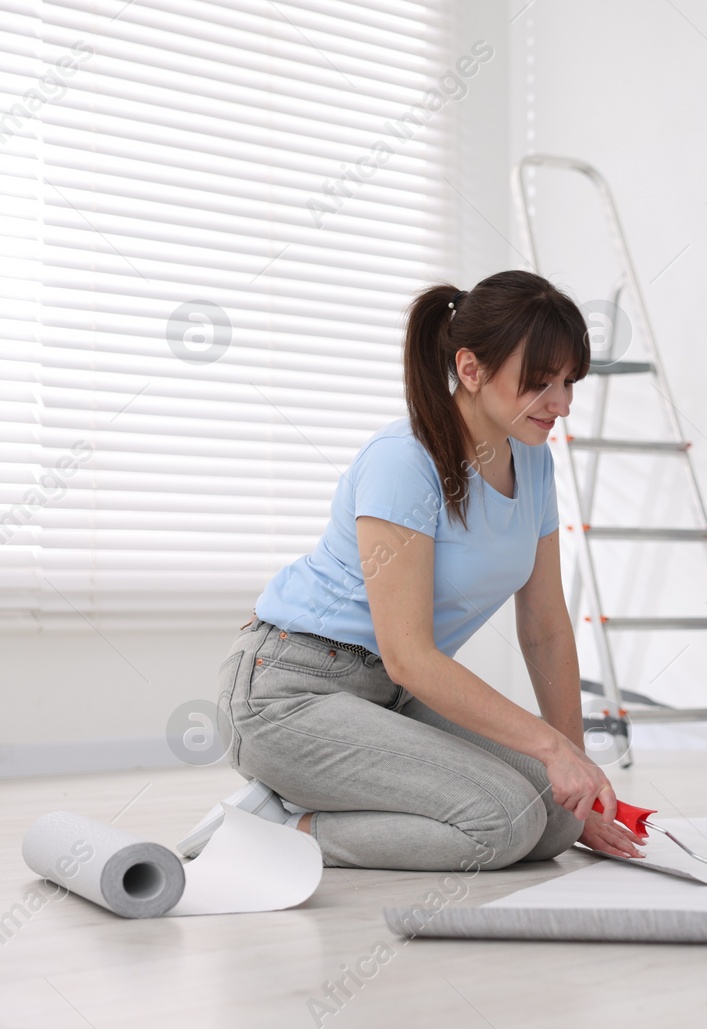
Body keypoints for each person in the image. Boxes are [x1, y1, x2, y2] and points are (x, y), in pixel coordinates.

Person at [178, 270, 643, 870]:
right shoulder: (404, 461)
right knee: (502, 823)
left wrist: (579, 775)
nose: (561, 404)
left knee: (556, 819)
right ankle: (273, 828)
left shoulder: (535, 462)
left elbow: (547, 629)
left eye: (569, 382)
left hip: (388, 698)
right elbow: (410, 655)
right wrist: (549, 745)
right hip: (290, 690)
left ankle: (322, 800)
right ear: (471, 370)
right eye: (540, 383)